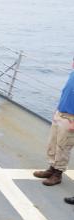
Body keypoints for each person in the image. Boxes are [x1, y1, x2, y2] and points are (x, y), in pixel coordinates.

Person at [34, 58, 74, 187]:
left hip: (71, 118)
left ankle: (57, 174)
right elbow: (65, 93)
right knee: (53, 143)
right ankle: (52, 168)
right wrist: (57, 110)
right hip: (60, 114)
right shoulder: (72, 73)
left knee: (63, 147)